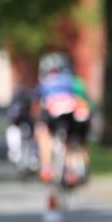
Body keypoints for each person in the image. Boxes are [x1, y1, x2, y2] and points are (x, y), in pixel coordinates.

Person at [33, 52, 93, 185]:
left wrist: (37, 119)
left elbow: (36, 104)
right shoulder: (74, 81)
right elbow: (85, 100)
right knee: (71, 140)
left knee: (44, 134)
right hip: (72, 113)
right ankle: (72, 172)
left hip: (54, 113)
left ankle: (47, 168)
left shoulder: (44, 82)